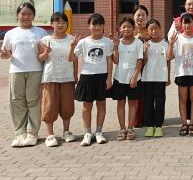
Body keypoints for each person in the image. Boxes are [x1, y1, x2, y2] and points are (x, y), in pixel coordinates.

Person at [1, 2, 48, 147]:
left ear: (34, 16)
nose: (26, 17)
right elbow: (6, 53)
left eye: (29, 14)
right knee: (16, 102)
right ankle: (19, 133)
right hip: (16, 71)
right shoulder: (10, 33)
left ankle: (32, 133)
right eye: (23, 14)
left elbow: (45, 53)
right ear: (17, 15)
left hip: (36, 70)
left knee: (33, 101)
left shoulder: (41, 32)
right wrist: (5, 55)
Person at [70, 13, 114, 146]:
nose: (97, 27)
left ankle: (99, 132)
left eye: (100, 24)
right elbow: (71, 58)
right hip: (87, 77)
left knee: (101, 105)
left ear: (103, 26)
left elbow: (109, 60)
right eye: (94, 24)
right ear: (89, 26)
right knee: (86, 106)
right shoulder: (83, 42)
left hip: (102, 77)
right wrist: (72, 46)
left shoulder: (108, 42)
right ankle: (87, 133)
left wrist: (109, 78)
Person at [38, 12, 78, 147]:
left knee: (67, 105)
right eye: (57, 22)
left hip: (67, 77)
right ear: (52, 24)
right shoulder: (45, 40)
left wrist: (75, 74)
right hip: (50, 77)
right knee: (49, 105)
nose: (61, 25)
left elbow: (74, 59)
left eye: (63, 22)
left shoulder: (71, 39)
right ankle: (50, 135)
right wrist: (46, 52)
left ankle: (66, 131)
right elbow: (40, 58)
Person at [169, 13, 193, 136]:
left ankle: (192, 123)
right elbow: (170, 56)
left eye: (189, 22)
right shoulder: (177, 38)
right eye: (185, 22)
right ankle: (184, 123)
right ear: (181, 24)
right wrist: (171, 44)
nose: (187, 25)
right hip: (181, 72)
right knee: (183, 99)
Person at [110, 17, 144, 141]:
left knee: (133, 103)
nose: (126, 29)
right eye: (124, 27)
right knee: (120, 103)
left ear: (133, 28)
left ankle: (130, 128)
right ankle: (122, 129)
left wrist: (135, 76)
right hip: (119, 78)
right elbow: (115, 61)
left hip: (134, 78)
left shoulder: (138, 43)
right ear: (120, 29)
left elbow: (140, 60)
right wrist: (115, 47)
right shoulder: (117, 43)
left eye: (129, 26)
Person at [141, 19, 170, 138]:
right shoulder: (145, 44)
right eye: (151, 29)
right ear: (147, 31)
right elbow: (143, 62)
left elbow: (168, 60)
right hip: (147, 77)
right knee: (148, 102)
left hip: (161, 77)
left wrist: (168, 77)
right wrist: (145, 51)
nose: (154, 31)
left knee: (160, 102)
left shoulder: (165, 43)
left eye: (156, 28)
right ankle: (149, 126)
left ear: (160, 29)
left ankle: (158, 126)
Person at [132, 5, 149, 128]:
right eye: (138, 15)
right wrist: (134, 38)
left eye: (143, 15)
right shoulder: (129, 28)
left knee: (146, 93)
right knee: (135, 94)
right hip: (133, 67)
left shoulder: (150, 29)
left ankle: (146, 117)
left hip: (148, 65)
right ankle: (136, 119)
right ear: (134, 16)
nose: (141, 17)